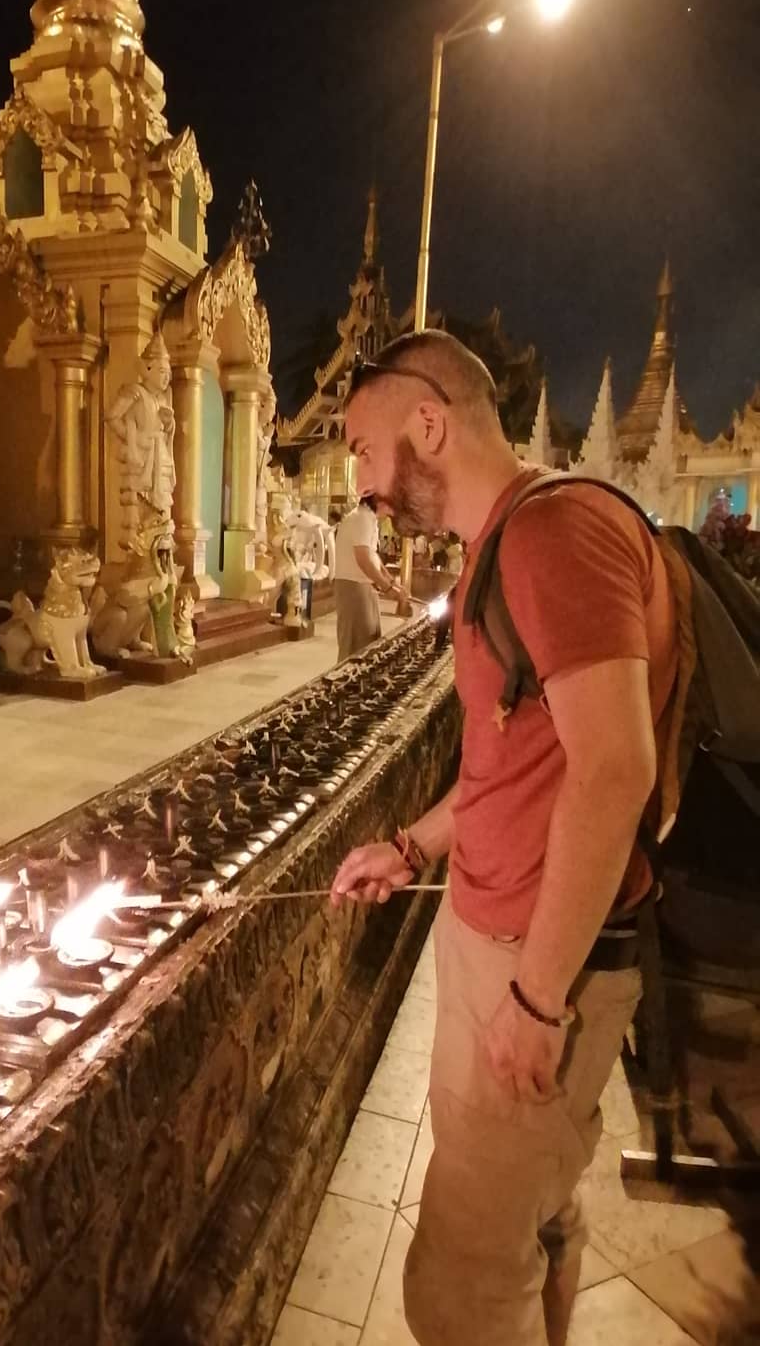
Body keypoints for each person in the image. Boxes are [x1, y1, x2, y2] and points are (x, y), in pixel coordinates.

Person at [332, 330, 677, 1346]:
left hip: (539, 963)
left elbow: (615, 771)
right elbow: (511, 766)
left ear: (428, 423)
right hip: (516, 944)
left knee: (467, 1288)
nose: (362, 484)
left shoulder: (552, 533)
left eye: (363, 450)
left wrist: (534, 999)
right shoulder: (506, 542)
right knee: (536, 1221)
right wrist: (413, 848)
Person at [333, 496, 407, 661]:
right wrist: (387, 588)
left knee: (369, 640)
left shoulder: (368, 519)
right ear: (380, 501)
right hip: (353, 586)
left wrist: (391, 582)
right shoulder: (361, 518)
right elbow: (363, 558)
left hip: (363, 586)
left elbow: (372, 555)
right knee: (355, 647)